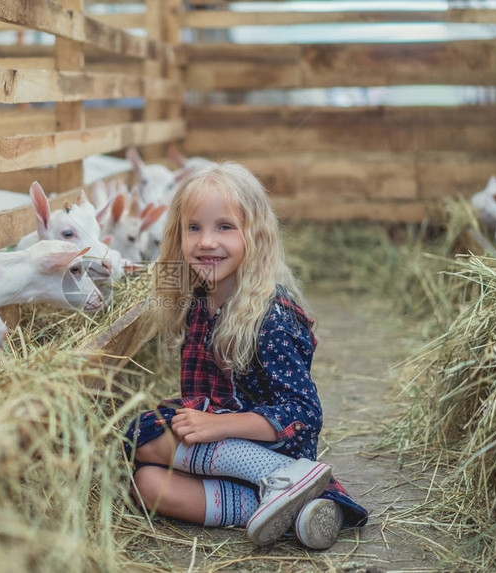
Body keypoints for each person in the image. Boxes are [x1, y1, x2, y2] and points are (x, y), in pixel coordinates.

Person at [124, 162, 367, 549]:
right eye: (194, 228)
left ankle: (283, 478)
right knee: (146, 484)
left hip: (268, 444)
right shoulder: (198, 301)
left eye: (224, 227)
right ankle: (285, 509)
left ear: (255, 235)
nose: (206, 241)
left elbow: (303, 413)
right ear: (177, 236)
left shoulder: (271, 317)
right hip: (218, 446)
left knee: (141, 435)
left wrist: (220, 426)